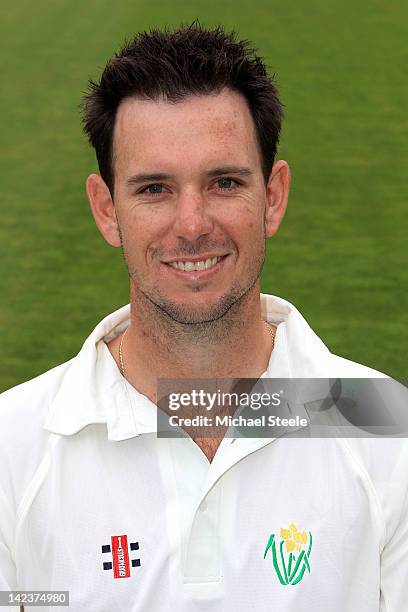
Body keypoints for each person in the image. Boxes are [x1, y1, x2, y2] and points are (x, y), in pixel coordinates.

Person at [0, 23, 407, 612]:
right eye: (155, 189)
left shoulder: (385, 429)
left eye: (224, 182)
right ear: (106, 208)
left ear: (273, 196)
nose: (191, 225)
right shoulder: (13, 446)